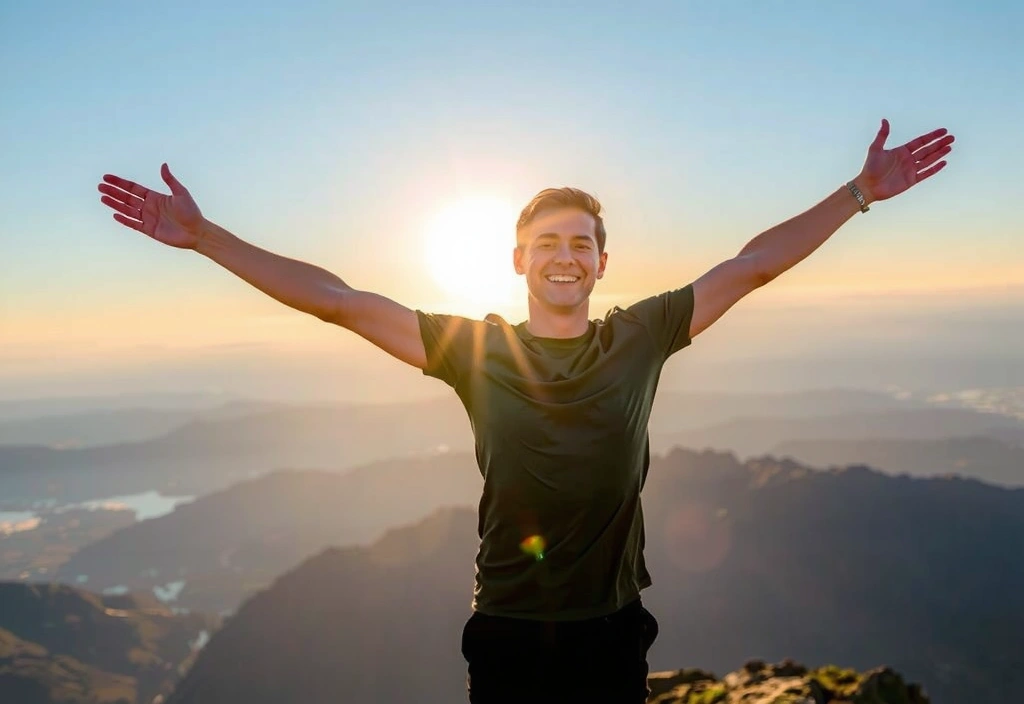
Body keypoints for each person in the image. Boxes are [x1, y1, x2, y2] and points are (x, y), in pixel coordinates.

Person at [97, 118, 953, 703]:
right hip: (506, 636)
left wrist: (858, 193)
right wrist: (206, 239)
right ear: (517, 260)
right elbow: (339, 300)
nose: (565, 255)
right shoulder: (478, 351)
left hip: (615, 634)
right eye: (547, 242)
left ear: (602, 262)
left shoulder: (644, 334)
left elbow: (753, 263)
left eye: (581, 241)